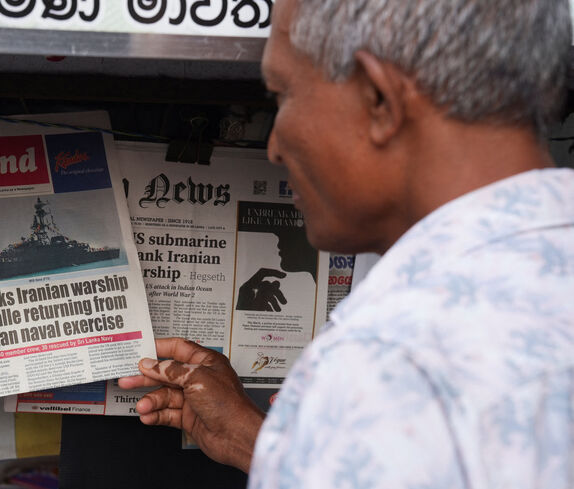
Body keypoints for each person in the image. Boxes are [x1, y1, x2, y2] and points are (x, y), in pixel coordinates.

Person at [119, 0, 574, 486]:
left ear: (378, 98)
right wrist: (259, 444)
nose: (274, 145)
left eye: (283, 94)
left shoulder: (385, 361)